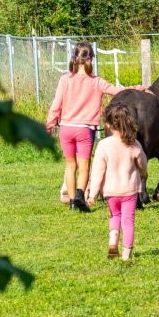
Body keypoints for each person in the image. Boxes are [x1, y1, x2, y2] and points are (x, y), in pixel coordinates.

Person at [46, 42, 145, 212]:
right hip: (84, 129)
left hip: (65, 128)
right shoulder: (97, 82)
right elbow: (118, 91)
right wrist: (138, 88)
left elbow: (56, 105)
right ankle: (80, 195)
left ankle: (72, 202)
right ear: (91, 59)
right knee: (84, 166)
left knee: (70, 165)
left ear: (74, 58)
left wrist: (49, 125)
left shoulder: (64, 80)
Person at [86, 104, 147, 260]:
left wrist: (93, 193)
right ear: (128, 121)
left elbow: (98, 171)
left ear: (107, 124)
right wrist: (143, 174)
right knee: (128, 221)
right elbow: (143, 163)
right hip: (129, 190)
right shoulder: (133, 143)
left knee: (114, 216)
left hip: (111, 191)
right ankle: (126, 254)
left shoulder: (103, 145)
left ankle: (113, 241)